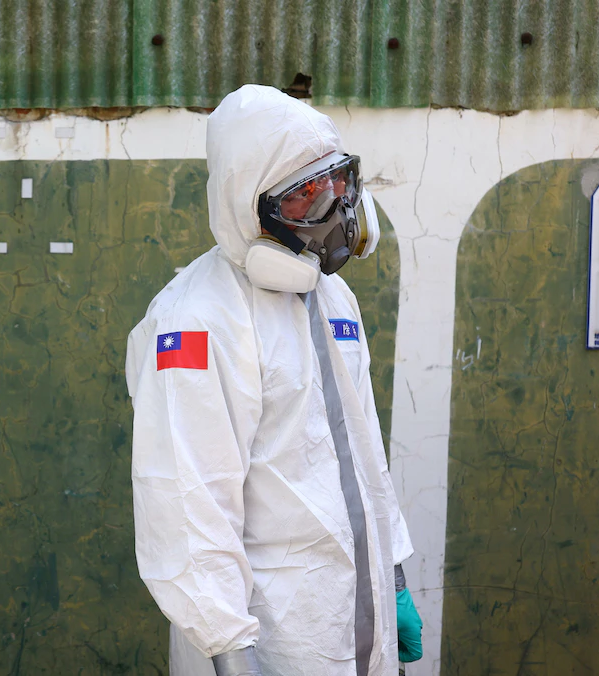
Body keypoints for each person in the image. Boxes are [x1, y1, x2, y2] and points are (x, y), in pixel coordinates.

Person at [125, 85, 423, 676]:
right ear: (250, 210)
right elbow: (188, 507)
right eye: (304, 198)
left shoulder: (333, 297)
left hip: (357, 620)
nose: (334, 213)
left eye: (336, 185)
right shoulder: (196, 321)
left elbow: (365, 456)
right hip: (272, 641)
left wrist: (392, 575)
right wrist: (230, 650)